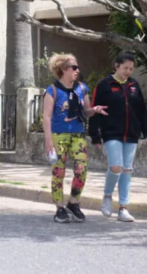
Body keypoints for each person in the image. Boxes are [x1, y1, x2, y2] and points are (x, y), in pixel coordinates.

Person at [43, 54, 108, 223]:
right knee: (59, 172)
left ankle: (73, 202)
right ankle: (59, 208)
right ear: (64, 69)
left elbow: (85, 111)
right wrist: (48, 140)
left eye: (77, 67)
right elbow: (47, 117)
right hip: (59, 136)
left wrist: (94, 109)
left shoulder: (82, 88)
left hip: (78, 135)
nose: (77, 70)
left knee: (81, 170)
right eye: (74, 67)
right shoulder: (52, 90)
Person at [89, 53, 147, 223]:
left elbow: (141, 110)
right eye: (125, 68)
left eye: (131, 69)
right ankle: (108, 195)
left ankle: (123, 208)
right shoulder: (104, 85)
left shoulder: (134, 85)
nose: (128, 71)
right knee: (116, 166)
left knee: (127, 170)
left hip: (132, 133)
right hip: (111, 132)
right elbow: (95, 110)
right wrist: (95, 135)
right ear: (116, 66)